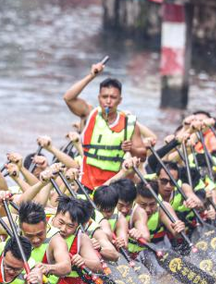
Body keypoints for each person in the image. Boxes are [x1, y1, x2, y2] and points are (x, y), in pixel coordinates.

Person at [62, 60, 156, 189]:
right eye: (104, 96)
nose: (108, 101)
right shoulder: (89, 114)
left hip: (113, 187)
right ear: (99, 98)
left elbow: (142, 156)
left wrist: (131, 149)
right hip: (86, 184)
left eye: (113, 97)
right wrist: (91, 76)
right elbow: (68, 98)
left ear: (120, 100)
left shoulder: (129, 123)